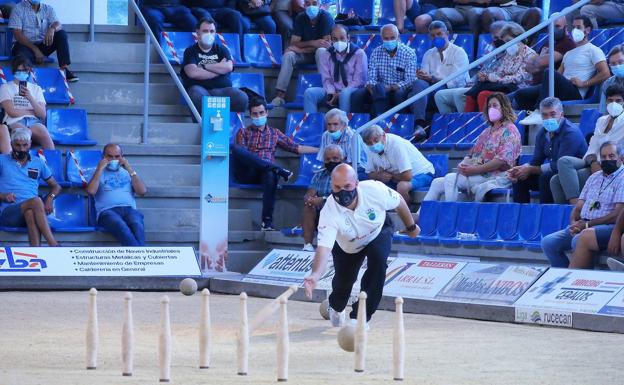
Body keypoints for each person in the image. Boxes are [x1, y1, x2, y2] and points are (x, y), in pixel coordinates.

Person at [302, 164, 420, 325]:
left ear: (356, 183)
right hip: (347, 245)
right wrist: (315, 274)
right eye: (337, 187)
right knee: (343, 282)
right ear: (331, 186)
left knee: (378, 263)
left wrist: (411, 227)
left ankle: (360, 316)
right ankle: (335, 306)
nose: (342, 191)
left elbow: (399, 201)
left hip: (377, 231)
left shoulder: (374, 190)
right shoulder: (328, 212)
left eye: (347, 186)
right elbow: (324, 248)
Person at [232, 99, 318, 231]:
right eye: (255, 114)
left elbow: (296, 148)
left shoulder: (274, 133)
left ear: (266, 113)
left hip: (265, 175)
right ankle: (278, 169)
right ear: (250, 115)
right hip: (248, 172)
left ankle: (266, 222)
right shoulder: (243, 132)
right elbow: (243, 158)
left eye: (261, 113)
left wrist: (321, 150)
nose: (258, 116)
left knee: (270, 174)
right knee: (236, 149)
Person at [424, 92, 521, 202]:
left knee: (451, 179)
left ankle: (450, 214)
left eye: (495, 105)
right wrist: (463, 164)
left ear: (504, 107)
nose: (491, 109)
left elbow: (501, 161)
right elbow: (472, 153)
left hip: (497, 175)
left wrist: (475, 169)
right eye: (489, 106)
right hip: (478, 172)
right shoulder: (487, 131)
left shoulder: (510, 130)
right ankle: (418, 217)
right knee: (437, 183)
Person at [541, 141, 624, 268]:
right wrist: (574, 222)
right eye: (603, 157)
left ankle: (579, 279)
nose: (607, 159)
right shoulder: (594, 177)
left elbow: (617, 214)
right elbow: (579, 206)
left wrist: (586, 225)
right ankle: (561, 275)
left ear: (621, 158)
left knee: (579, 239)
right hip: (584, 223)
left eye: (611, 156)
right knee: (548, 243)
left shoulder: (622, 177)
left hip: (607, 225)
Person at [519, 15, 610, 125]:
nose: (575, 30)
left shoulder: (593, 50)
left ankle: (540, 112)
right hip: (563, 87)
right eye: (573, 27)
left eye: (578, 27)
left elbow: (605, 73)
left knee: (549, 72)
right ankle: (526, 119)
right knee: (522, 94)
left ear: (588, 30)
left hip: (575, 91)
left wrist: (584, 83)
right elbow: (558, 75)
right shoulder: (568, 54)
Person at [551, 85, 624, 204]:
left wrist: (603, 164)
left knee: (556, 181)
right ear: (605, 102)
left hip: (611, 164)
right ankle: (574, 206)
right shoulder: (601, 121)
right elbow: (592, 149)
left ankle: (575, 209)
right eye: (610, 100)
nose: (614, 103)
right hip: (593, 161)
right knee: (564, 161)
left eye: (618, 100)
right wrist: (593, 162)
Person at [351, 24, 426, 138]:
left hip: (400, 88)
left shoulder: (409, 53)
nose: (389, 41)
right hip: (380, 89)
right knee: (357, 95)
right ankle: (356, 127)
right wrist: (372, 87)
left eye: (392, 38)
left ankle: (384, 125)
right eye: (386, 38)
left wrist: (392, 87)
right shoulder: (376, 52)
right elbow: (371, 77)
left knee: (398, 93)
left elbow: (410, 80)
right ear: (381, 39)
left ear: (398, 37)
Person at [509, 97, 587, 203]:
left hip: (574, 174)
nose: (548, 118)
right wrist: (522, 168)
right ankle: (522, 215)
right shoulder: (542, 133)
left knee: (546, 177)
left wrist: (531, 169)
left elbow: (560, 165)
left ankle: (547, 212)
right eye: (544, 115)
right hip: (555, 171)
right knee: (520, 178)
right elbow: (536, 161)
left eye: (552, 114)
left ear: (562, 115)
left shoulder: (571, 133)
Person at [0, 128, 60, 246]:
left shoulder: (38, 162)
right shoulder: (2, 160)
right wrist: (3, 195)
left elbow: (56, 186)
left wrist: (50, 198)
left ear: (30, 144)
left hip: (32, 209)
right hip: (9, 212)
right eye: (18, 145)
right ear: (11, 144)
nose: (22, 149)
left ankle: (36, 252)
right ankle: (54, 244)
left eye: (25, 145)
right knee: (36, 201)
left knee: (30, 213)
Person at [270, 0, 334, 107]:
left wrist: (301, 49)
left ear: (320, 5)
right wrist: (313, 42)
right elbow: (294, 43)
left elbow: (325, 46)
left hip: (320, 55)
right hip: (306, 55)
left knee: (321, 51)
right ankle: (280, 96)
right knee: (288, 55)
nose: (311, 6)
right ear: (304, 5)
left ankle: (326, 93)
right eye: (308, 4)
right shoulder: (301, 17)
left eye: (314, 3)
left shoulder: (326, 17)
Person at [434, 20, 506, 114]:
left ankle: (465, 123)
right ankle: (450, 125)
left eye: (500, 37)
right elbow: (482, 71)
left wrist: (480, 82)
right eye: (495, 37)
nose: (496, 40)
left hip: (493, 86)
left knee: (460, 93)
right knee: (440, 95)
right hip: (479, 85)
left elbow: (501, 76)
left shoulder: (510, 55)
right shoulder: (492, 54)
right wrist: (472, 81)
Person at [463, 22, 536, 112]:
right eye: (505, 42)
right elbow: (499, 72)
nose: (506, 44)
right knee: (471, 95)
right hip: (503, 86)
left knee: (484, 94)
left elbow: (519, 78)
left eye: (508, 41)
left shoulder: (530, 55)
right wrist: (486, 76)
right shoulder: (509, 54)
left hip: (518, 89)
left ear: (519, 37)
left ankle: (486, 124)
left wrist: (497, 79)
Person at [181, 18, 249, 114]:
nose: (209, 34)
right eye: (205, 31)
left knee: (242, 97)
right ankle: (204, 126)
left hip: (223, 90)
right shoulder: (190, 51)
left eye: (212, 31)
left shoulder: (222, 49)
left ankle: (225, 124)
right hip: (201, 90)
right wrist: (219, 69)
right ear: (198, 33)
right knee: (195, 94)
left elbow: (228, 67)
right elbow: (193, 73)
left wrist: (204, 66)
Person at [86, 143, 147, 246]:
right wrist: (100, 169)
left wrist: (129, 168)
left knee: (136, 223)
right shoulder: (96, 172)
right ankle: (141, 257)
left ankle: (138, 256)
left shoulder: (128, 172)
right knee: (120, 225)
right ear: (103, 157)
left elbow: (142, 192)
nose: (113, 159)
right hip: (107, 211)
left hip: (129, 209)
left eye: (117, 156)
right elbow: (91, 191)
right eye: (109, 156)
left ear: (122, 157)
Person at [511, 16, 576, 111]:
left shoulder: (567, 43)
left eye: (557, 26)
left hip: (551, 87)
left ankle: (539, 112)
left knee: (517, 95)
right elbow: (528, 66)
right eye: (551, 27)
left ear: (565, 27)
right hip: (537, 85)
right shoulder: (547, 43)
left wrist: (539, 62)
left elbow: (541, 63)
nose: (554, 29)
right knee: (506, 98)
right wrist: (540, 62)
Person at [361, 124, 434, 203]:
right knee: (371, 186)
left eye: (376, 140)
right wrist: (379, 175)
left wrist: (389, 176)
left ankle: (406, 213)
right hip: (397, 177)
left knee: (402, 187)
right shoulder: (370, 149)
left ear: (384, 136)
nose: (373, 145)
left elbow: (407, 176)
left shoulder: (396, 144)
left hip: (422, 174)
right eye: (369, 143)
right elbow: (369, 173)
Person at [303, 24, 367, 113]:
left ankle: (343, 124)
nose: (339, 42)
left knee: (344, 93)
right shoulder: (326, 54)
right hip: (333, 90)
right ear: (331, 39)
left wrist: (340, 94)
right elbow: (326, 79)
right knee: (309, 93)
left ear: (348, 38)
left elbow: (359, 81)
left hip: (352, 90)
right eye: (335, 39)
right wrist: (332, 92)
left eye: (342, 38)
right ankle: (311, 125)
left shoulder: (359, 54)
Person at [9, 0, 78, 82]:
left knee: (61, 34)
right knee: (21, 53)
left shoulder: (48, 9)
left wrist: (52, 28)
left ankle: (64, 69)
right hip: (24, 45)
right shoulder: (18, 9)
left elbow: (57, 23)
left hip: (43, 44)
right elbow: (17, 34)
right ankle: (28, 76)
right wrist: (36, 50)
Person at [413, 21, 470, 116]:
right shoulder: (428, 53)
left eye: (439, 34)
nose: (436, 38)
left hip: (452, 89)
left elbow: (456, 81)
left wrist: (433, 79)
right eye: (433, 35)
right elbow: (425, 75)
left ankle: (420, 125)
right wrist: (421, 75)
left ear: (447, 34)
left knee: (414, 96)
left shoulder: (459, 52)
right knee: (419, 83)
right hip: (431, 87)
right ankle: (420, 123)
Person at [0, 55, 53, 150]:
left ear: (29, 71)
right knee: (23, 133)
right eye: (18, 71)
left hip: (34, 122)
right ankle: (22, 159)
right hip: (14, 121)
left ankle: (51, 162)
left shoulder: (36, 89)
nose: (21, 73)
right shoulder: (5, 88)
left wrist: (30, 98)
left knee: (44, 133)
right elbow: (12, 112)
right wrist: (32, 111)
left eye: (24, 70)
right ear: (13, 71)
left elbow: (42, 114)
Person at [302, 144, 344, 251]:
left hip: (340, 209)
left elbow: (344, 195)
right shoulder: (319, 175)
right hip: (320, 210)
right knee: (308, 207)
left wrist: (323, 199)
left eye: (335, 158)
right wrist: (309, 199)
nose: (331, 161)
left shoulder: (346, 173)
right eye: (328, 159)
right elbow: (310, 193)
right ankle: (308, 245)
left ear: (342, 159)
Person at [316, 108, 367, 179]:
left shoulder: (353, 136)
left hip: (358, 170)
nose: (332, 128)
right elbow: (324, 160)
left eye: (335, 124)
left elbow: (352, 165)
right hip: (336, 168)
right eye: (329, 124)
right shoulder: (325, 135)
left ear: (344, 126)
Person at [598, 44, 624, 115]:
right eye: (613, 63)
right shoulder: (607, 83)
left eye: (621, 62)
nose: (617, 66)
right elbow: (604, 112)